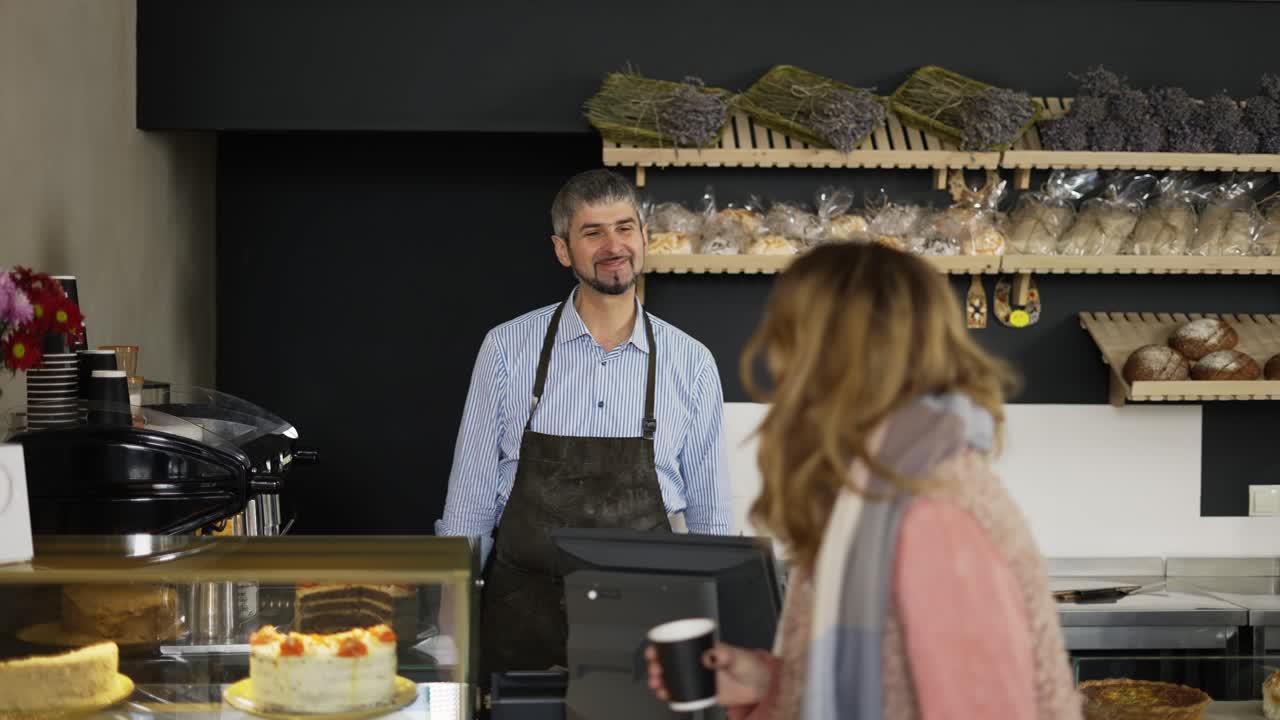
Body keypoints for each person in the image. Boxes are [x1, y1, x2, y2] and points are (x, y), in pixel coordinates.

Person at [647, 243, 1082, 719]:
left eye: (789, 340)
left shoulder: (934, 517)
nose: (777, 365)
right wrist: (768, 681)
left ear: (833, 359)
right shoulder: (877, 489)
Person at [438, 169, 732, 676]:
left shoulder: (692, 362)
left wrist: (724, 632)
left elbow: (713, 520)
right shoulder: (507, 349)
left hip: (650, 629)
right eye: (593, 233)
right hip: (522, 621)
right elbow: (469, 503)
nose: (613, 245)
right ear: (562, 249)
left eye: (624, 228)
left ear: (643, 236)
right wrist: (449, 625)